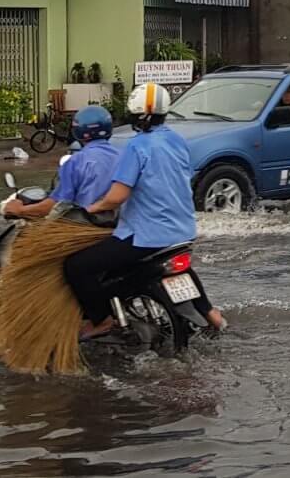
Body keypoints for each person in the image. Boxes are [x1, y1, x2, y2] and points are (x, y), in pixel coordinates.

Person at [65, 83, 225, 336]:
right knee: (174, 264)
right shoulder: (177, 141)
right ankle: (211, 313)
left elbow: (117, 196)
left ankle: (101, 319)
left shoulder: (136, 146)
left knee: (77, 267)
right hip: (182, 231)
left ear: (137, 116)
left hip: (145, 234)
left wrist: (91, 208)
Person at [4, 105, 124, 219]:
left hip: (85, 227)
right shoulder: (125, 157)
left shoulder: (76, 161)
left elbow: (55, 205)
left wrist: (20, 210)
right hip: (121, 228)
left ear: (77, 131)